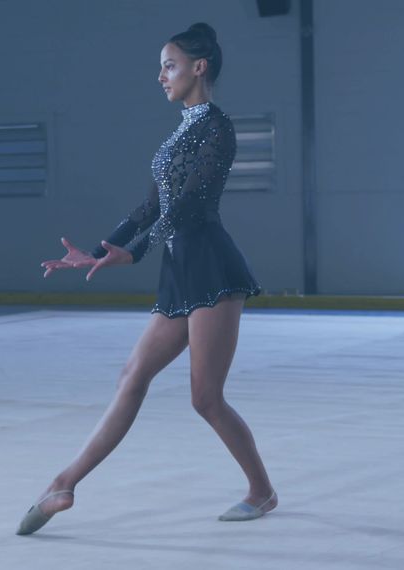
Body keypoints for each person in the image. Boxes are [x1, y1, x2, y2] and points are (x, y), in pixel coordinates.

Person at [17, 22, 277, 536]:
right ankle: (63, 483)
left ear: (198, 67)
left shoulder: (217, 129)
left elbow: (186, 207)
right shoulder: (182, 127)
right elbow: (151, 205)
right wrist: (94, 252)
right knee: (131, 377)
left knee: (205, 398)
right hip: (180, 271)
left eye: (169, 65)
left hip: (212, 270)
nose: (160, 76)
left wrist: (132, 256)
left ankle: (261, 492)